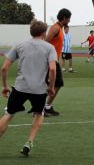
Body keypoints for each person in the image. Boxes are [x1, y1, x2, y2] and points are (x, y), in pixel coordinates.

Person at [0, 21, 57, 156]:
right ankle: (29, 141)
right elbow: (53, 69)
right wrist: (51, 87)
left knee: (8, 115)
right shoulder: (49, 48)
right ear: (44, 33)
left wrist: (5, 86)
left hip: (20, 87)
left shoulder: (20, 45)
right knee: (39, 113)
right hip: (39, 90)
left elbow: (4, 68)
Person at [44, 8, 71, 116]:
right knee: (44, 85)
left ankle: (47, 107)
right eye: (68, 19)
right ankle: (40, 108)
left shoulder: (60, 28)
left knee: (58, 83)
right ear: (64, 18)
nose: (69, 21)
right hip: (49, 61)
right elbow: (45, 42)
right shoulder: (55, 28)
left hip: (54, 60)